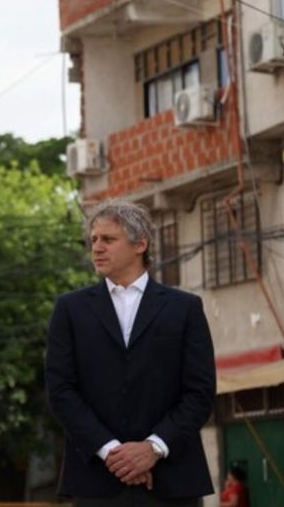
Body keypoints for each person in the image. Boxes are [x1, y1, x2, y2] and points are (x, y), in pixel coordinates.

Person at [45, 200, 216, 506]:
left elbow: (200, 393)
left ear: (141, 244)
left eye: (108, 239)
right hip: (97, 480)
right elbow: (61, 391)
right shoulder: (70, 309)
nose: (97, 247)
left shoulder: (184, 308)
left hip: (172, 479)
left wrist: (152, 448)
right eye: (93, 239)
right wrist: (112, 452)